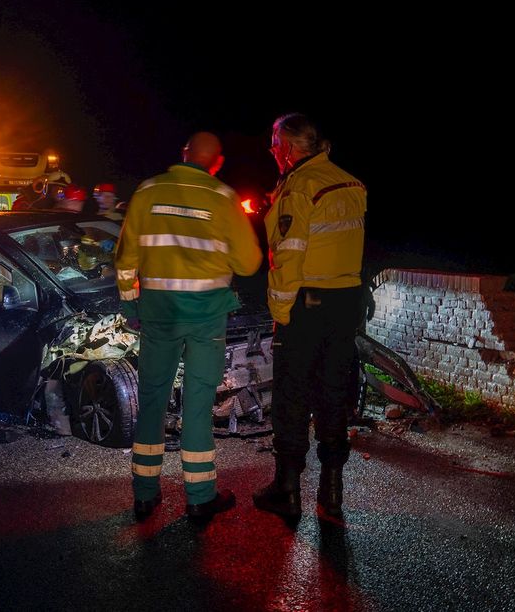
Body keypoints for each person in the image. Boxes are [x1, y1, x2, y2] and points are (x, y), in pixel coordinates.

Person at [114, 131, 262, 523]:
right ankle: (200, 498)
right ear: (217, 163)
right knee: (197, 406)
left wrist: (131, 305)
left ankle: (145, 496)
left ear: (183, 153)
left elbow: (126, 258)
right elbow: (249, 264)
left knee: (152, 403)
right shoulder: (222, 198)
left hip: (159, 315)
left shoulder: (147, 191)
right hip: (205, 319)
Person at [253, 113, 367, 522]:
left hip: (306, 304)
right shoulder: (351, 182)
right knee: (335, 392)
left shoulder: (299, 186)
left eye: (273, 143)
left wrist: (280, 312)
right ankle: (331, 491)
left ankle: (287, 490)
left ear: (287, 148)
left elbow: (289, 255)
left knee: (293, 395)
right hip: (345, 300)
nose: (271, 151)